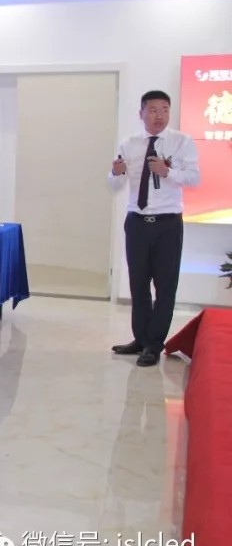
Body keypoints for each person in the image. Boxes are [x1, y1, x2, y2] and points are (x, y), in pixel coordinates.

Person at [109, 90, 201, 367]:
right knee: (138, 284)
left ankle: (154, 344)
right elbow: (115, 185)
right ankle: (140, 339)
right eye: (152, 110)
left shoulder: (182, 142)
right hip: (137, 222)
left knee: (165, 286)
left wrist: (167, 171)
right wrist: (115, 173)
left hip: (167, 224)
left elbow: (194, 179)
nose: (159, 116)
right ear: (141, 114)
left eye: (164, 110)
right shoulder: (129, 143)